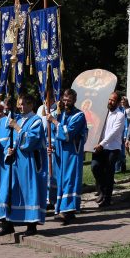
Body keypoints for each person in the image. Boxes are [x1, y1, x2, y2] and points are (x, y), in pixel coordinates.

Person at [0, 93, 48, 234]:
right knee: (10, 191)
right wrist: (11, 148)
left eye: (23, 104)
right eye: (19, 103)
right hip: (16, 162)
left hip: (29, 163)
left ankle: (31, 225)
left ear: (31, 104)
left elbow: (30, 141)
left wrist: (17, 128)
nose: (20, 106)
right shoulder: (19, 119)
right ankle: (7, 223)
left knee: (29, 192)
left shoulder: (36, 120)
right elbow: (14, 140)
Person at [46, 88, 87, 224]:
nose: (66, 102)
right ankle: (60, 209)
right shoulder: (60, 114)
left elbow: (68, 134)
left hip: (71, 154)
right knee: (60, 181)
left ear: (74, 100)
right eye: (64, 99)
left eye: (69, 100)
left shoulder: (79, 115)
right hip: (59, 153)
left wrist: (55, 122)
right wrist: (50, 146)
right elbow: (52, 133)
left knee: (70, 181)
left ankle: (68, 211)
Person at [91, 91, 125, 207]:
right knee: (95, 167)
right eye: (109, 99)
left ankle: (107, 198)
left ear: (118, 102)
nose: (110, 102)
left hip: (112, 148)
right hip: (99, 147)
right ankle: (102, 190)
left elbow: (113, 133)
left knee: (109, 173)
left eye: (113, 100)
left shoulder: (120, 115)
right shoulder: (103, 113)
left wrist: (102, 144)